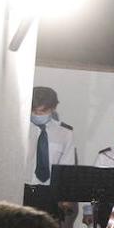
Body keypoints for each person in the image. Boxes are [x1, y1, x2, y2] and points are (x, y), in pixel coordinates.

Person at [24, 85, 77, 217]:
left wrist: (65, 197)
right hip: (22, 189)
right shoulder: (20, 127)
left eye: (42, 111)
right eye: (34, 111)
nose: (37, 115)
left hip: (48, 193)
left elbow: (67, 167)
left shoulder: (65, 132)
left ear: (53, 108)